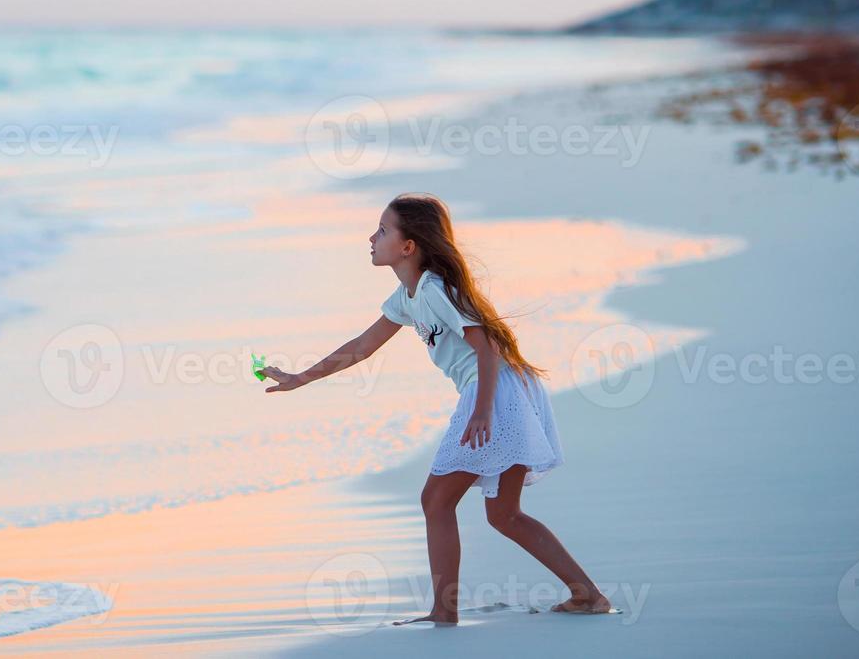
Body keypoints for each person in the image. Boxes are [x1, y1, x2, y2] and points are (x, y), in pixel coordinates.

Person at [260, 193, 611, 624]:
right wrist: (302, 378)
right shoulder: (409, 295)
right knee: (504, 515)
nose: (372, 237)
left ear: (408, 246)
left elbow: (486, 349)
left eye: (383, 230)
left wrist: (482, 412)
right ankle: (587, 595)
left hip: (495, 391)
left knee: (436, 501)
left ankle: (444, 612)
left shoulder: (433, 289)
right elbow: (362, 347)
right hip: (504, 391)